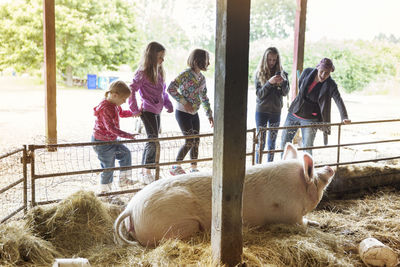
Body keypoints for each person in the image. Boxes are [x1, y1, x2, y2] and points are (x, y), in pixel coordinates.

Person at [280, 58, 351, 155]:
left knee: (307, 147)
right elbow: (301, 87)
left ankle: (308, 170)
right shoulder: (307, 72)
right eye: (321, 71)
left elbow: (338, 100)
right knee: (285, 143)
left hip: (310, 119)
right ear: (318, 67)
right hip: (294, 113)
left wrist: (344, 117)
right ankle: (284, 167)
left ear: (330, 72)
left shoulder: (331, 84)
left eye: (327, 73)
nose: (323, 75)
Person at [129, 41, 173, 183]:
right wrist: (134, 108)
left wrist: (167, 103)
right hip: (147, 110)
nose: (162, 60)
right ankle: (146, 172)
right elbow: (132, 89)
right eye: (160, 57)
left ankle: (147, 170)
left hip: (157, 110)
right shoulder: (142, 72)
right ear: (152, 57)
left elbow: (162, 91)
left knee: (154, 139)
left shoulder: (159, 72)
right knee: (153, 140)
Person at [167, 48, 214, 175]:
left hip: (194, 113)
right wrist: (184, 102)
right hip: (182, 112)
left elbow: (204, 97)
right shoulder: (185, 74)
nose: (208, 63)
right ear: (198, 60)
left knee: (196, 140)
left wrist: (209, 114)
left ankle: (193, 167)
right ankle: (175, 166)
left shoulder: (202, 78)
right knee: (189, 140)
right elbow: (171, 88)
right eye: (206, 60)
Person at [92, 80, 138, 194]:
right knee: (109, 166)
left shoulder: (114, 105)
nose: (124, 102)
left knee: (125, 153)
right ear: (114, 95)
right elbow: (110, 128)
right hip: (101, 143)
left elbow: (121, 113)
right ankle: (105, 191)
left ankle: (124, 179)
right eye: (123, 99)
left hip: (112, 139)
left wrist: (133, 113)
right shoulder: (106, 108)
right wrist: (127, 135)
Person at [254, 47, 290, 163]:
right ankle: (258, 166)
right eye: (269, 60)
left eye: (274, 60)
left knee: (272, 142)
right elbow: (260, 94)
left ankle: (270, 166)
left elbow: (285, 93)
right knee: (261, 142)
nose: (272, 62)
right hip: (261, 111)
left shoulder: (283, 73)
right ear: (265, 59)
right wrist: (270, 83)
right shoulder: (259, 73)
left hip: (276, 112)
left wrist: (283, 83)